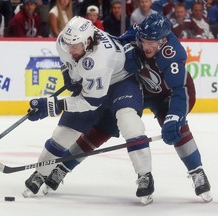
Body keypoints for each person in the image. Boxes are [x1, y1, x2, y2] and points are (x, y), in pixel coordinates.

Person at [50, 13, 212, 203]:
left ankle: (197, 172)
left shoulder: (172, 54)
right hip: (141, 90)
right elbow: (113, 43)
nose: (145, 46)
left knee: (177, 129)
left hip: (169, 96)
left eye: (151, 42)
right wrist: (126, 51)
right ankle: (63, 167)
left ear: (163, 40)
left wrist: (175, 117)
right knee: (104, 127)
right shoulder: (138, 32)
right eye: (143, 40)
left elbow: (180, 91)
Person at [23, 16, 154, 205]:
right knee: (62, 135)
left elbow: (90, 102)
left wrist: (52, 106)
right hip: (93, 83)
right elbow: (66, 58)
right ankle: (40, 172)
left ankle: (145, 175)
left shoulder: (99, 59)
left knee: (129, 123)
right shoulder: (65, 41)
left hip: (121, 82)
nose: (70, 48)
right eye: (68, 43)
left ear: (88, 42)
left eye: (75, 45)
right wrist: (69, 74)